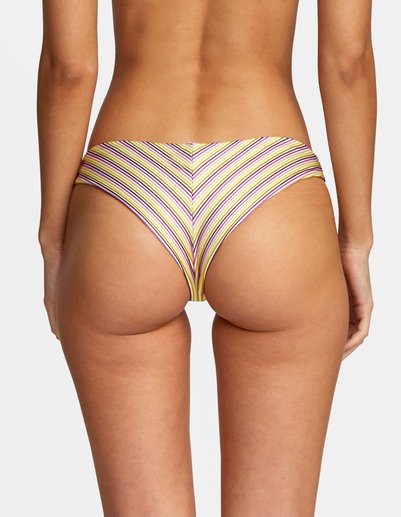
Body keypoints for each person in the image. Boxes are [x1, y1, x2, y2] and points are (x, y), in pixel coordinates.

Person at [37, 0, 375, 515]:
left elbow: (69, 69)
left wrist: (54, 239)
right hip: (270, 183)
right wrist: (357, 238)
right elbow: (349, 62)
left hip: (128, 182)